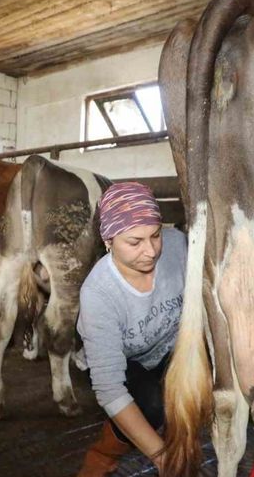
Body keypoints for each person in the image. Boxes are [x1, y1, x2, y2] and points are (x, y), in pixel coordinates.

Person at [76, 182, 187, 476]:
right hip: (126, 361)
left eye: (155, 235)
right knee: (149, 405)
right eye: (134, 242)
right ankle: (100, 457)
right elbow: (110, 389)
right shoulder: (98, 294)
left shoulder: (177, 246)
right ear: (108, 240)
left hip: (168, 347)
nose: (150, 251)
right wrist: (163, 459)